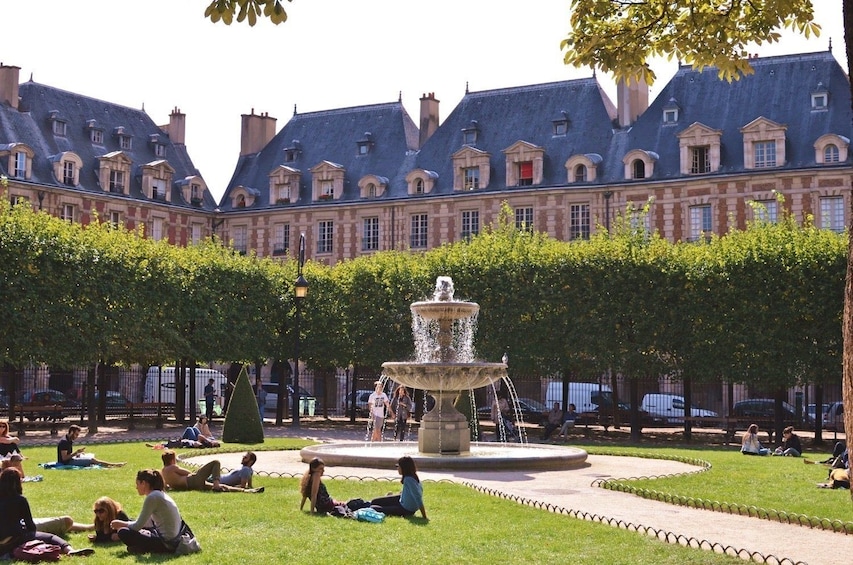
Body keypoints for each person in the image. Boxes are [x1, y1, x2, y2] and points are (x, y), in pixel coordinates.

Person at [0, 468, 94, 557]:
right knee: (51, 537)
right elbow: (30, 526)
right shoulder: (20, 500)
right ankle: (69, 550)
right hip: (14, 539)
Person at [112, 469, 184, 554]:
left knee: (123, 532)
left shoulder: (152, 497)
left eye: (137, 484)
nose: (136, 487)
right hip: (171, 539)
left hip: (167, 543)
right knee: (130, 523)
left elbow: (137, 526)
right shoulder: (159, 494)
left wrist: (120, 524)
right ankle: (139, 548)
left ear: (144, 483)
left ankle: (142, 548)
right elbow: (147, 524)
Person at [160, 449, 261, 493]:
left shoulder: (163, 473)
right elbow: (188, 473)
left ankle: (248, 491)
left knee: (223, 487)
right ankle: (216, 485)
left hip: (191, 486)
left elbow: (166, 486)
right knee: (215, 462)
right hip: (192, 481)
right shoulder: (173, 468)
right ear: (172, 460)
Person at [57, 424, 125, 467]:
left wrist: (77, 454)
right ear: (71, 432)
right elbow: (64, 458)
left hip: (70, 460)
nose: (77, 437)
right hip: (67, 463)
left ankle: (112, 465)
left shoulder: (68, 439)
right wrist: (76, 453)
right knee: (92, 459)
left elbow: (68, 455)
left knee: (89, 456)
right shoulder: (64, 442)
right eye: (76, 434)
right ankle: (115, 465)